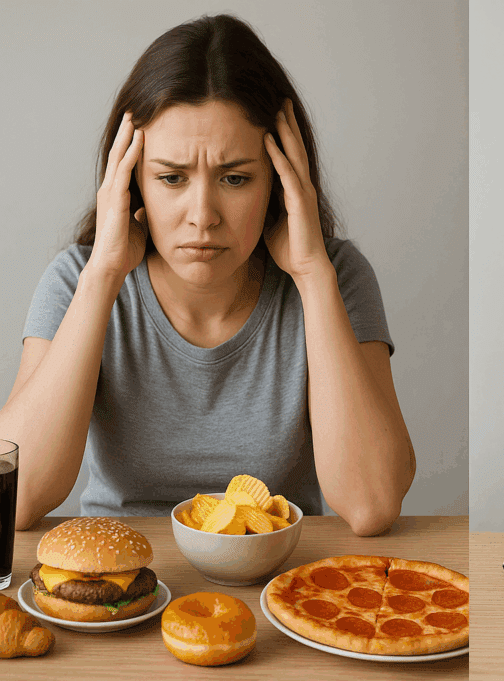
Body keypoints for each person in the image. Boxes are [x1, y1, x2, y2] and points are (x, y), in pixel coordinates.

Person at [3, 14, 415, 535]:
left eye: (236, 178)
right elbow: (14, 502)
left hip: (283, 580)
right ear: (130, 183)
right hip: (123, 581)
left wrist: (313, 274)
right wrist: (103, 275)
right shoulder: (75, 280)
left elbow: (373, 504)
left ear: (281, 183)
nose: (203, 215)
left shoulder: (338, 277)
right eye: (171, 178)